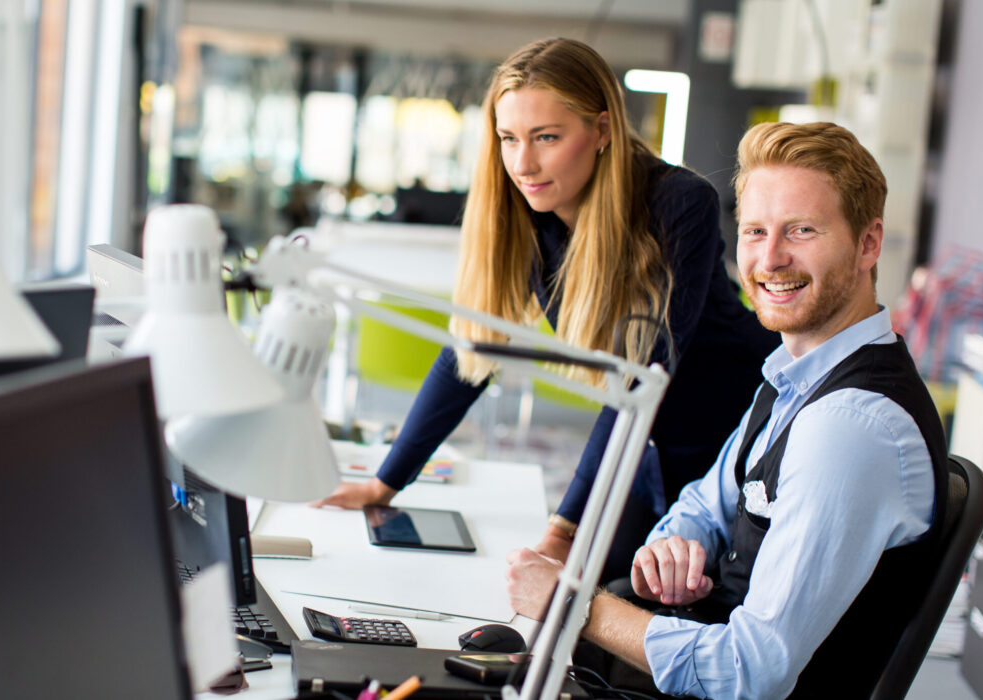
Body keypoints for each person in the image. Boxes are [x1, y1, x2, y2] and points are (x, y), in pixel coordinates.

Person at [505, 121, 948, 699]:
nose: (769, 259)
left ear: (868, 243)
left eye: (802, 230)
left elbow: (751, 670)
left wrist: (573, 605)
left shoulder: (848, 426)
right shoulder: (791, 379)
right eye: (755, 230)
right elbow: (705, 501)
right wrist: (677, 544)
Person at [315, 37, 777, 581]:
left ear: (602, 130)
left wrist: (563, 529)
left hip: (738, 440)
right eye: (509, 139)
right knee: (591, 602)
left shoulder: (678, 203)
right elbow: (470, 354)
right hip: (644, 451)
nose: (522, 163)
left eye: (547, 138)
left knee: (640, 605)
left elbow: (639, 380)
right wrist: (387, 482)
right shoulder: (531, 215)